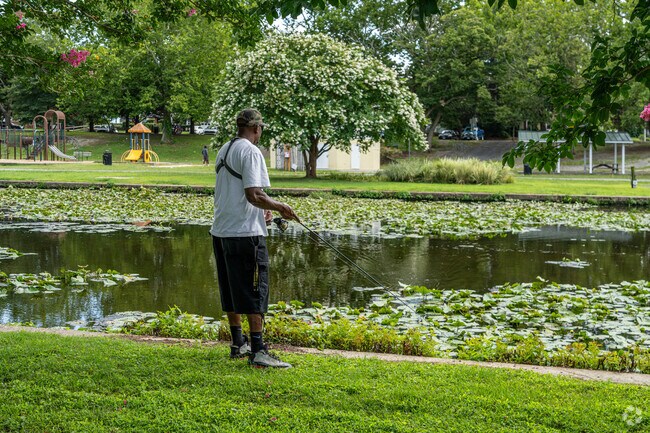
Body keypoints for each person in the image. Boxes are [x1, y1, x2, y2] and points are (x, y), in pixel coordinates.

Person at [210, 108, 299, 368]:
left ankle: (239, 343)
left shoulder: (224, 149)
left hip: (222, 230)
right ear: (256, 128)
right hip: (245, 234)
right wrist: (281, 207)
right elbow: (254, 194)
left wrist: (264, 212)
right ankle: (259, 350)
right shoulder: (250, 151)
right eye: (261, 130)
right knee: (254, 290)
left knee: (231, 289)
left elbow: (238, 193)